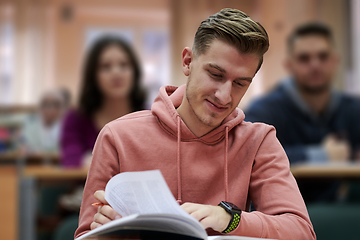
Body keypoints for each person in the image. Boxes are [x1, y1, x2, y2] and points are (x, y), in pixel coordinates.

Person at [75, 9, 315, 239]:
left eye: (240, 83)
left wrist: (229, 219)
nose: (224, 96)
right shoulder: (118, 137)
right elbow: (86, 235)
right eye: (215, 75)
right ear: (188, 62)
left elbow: (301, 232)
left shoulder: (259, 141)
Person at [245, 23, 360, 203]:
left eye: (323, 56)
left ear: (335, 61)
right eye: (304, 58)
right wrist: (322, 155)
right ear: (289, 65)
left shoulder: (353, 108)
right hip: (282, 212)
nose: (315, 65)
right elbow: (246, 154)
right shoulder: (265, 110)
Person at [60, 36, 147, 168]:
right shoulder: (75, 119)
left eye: (124, 65)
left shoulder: (150, 117)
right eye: (105, 67)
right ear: (93, 75)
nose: (116, 73)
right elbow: (71, 163)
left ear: (135, 72)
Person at [23, 89, 66, 154]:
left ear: (61, 109)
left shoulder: (66, 128)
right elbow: (24, 147)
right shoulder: (29, 125)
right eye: (46, 105)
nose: (50, 109)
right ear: (40, 107)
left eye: (55, 105)